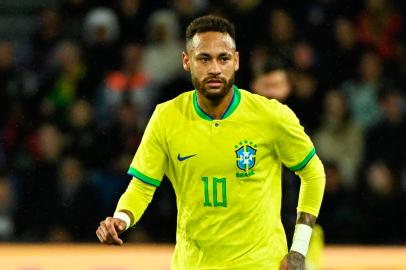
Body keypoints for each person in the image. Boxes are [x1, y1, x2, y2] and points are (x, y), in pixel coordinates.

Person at [96, 15, 325, 270]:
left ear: (236, 61)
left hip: (261, 264)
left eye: (223, 58)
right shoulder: (166, 117)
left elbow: (313, 173)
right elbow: (142, 186)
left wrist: (299, 250)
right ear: (186, 61)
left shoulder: (272, 116)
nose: (214, 68)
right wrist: (120, 219)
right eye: (204, 58)